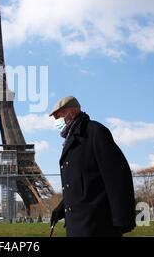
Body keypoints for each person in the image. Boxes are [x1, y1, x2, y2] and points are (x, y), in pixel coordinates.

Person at [49, 96, 136, 237]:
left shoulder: (95, 132)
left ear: (70, 113)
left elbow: (118, 175)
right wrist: (62, 207)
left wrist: (122, 221)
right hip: (78, 226)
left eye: (58, 117)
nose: (56, 122)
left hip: (97, 226)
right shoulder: (72, 139)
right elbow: (82, 183)